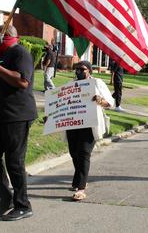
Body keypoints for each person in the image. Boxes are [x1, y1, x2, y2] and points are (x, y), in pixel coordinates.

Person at [0, 25, 38, 221]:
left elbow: (22, 81)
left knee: (14, 161)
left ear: (14, 37)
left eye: (2, 36)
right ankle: (6, 198)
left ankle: (23, 205)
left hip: (17, 115)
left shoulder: (20, 53)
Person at [45, 61, 114, 201]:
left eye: (82, 69)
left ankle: (81, 188)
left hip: (89, 125)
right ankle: (79, 179)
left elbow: (110, 103)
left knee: (84, 153)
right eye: (76, 69)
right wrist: (50, 116)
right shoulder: (71, 84)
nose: (78, 72)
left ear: (89, 71)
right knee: (74, 152)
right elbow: (61, 104)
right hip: (73, 124)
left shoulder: (96, 83)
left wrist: (100, 101)